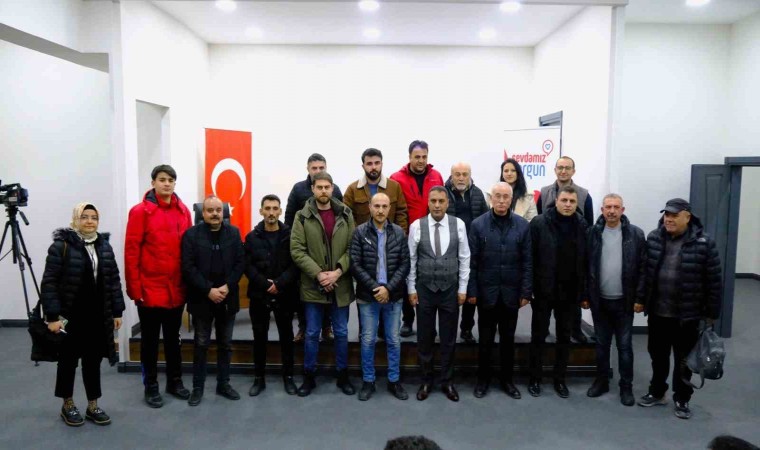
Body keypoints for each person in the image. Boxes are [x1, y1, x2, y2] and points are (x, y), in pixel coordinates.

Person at [41, 203, 125, 426]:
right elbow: (49, 283)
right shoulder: (61, 246)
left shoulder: (104, 246)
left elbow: (114, 280)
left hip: (96, 316)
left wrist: (117, 311)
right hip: (70, 316)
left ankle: (92, 405)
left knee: (92, 362)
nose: (89, 221)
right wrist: (52, 317)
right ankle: (67, 404)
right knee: (67, 362)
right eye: (84, 217)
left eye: (94, 217)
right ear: (76, 219)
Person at [638, 198, 722, 420]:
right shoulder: (654, 238)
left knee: (683, 361)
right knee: (658, 356)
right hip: (658, 312)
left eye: (674, 215)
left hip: (687, 315)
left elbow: (714, 280)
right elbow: (645, 272)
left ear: (687, 216)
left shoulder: (704, 243)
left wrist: (712, 313)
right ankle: (657, 392)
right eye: (666, 214)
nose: (669, 219)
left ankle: (682, 398)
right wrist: (640, 299)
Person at [124, 164, 192, 408]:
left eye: (171, 180)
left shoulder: (183, 211)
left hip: (176, 290)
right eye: (162, 179)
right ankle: (150, 386)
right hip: (150, 290)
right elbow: (131, 252)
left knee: (174, 340)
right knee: (150, 343)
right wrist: (135, 289)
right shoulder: (140, 212)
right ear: (153, 183)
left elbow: (188, 250)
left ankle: (175, 381)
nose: (167, 183)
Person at [290, 172, 356, 397]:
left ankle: (342, 375)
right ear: (313, 189)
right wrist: (319, 275)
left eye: (327, 187)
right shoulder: (302, 216)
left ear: (332, 187)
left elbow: (353, 248)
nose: (324, 191)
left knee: (341, 332)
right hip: (313, 285)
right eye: (319, 187)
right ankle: (309, 376)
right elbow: (297, 250)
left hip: (340, 283)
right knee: (311, 333)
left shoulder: (346, 213)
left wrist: (337, 272)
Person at [467, 183, 532, 399]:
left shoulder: (523, 226)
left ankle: (507, 381)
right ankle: (482, 380)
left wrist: (525, 292)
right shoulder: (478, 225)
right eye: (498, 196)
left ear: (511, 199)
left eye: (506, 197)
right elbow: (472, 262)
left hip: (511, 294)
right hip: (486, 293)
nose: (502, 200)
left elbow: (528, 262)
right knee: (485, 341)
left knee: (508, 340)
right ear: (491, 199)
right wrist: (472, 291)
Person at [181, 196, 245, 406]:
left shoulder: (233, 233)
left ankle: (223, 384)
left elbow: (240, 263)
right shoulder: (191, 235)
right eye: (210, 210)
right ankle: (198, 387)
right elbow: (188, 267)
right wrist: (208, 289)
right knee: (201, 344)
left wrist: (228, 286)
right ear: (203, 213)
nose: (215, 213)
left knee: (225, 344)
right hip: (202, 298)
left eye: (218, 210)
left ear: (223, 212)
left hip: (227, 297)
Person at [408, 186, 470, 402]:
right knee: (424, 338)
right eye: (433, 201)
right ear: (428, 202)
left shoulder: (459, 225)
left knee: (448, 339)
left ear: (447, 203)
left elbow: (465, 258)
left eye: (441, 201)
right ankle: (426, 380)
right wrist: (411, 288)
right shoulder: (416, 226)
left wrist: (463, 288)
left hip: (450, 290)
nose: (436, 205)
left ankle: (447, 381)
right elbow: (411, 260)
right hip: (424, 290)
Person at [583, 194, 646, 406]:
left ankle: (626, 387)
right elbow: (585, 267)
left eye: (616, 207)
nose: (611, 211)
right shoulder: (591, 233)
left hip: (624, 301)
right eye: (608, 207)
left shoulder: (636, 234)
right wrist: (585, 295)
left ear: (622, 210)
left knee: (625, 347)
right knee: (601, 345)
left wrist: (640, 297)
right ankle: (601, 381)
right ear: (602, 210)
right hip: (599, 300)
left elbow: (643, 269)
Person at [528, 186, 588, 398]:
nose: (568, 205)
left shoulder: (582, 224)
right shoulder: (539, 223)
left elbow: (585, 261)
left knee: (564, 337)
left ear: (576, 204)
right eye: (564, 200)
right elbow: (530, 257)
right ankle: (535, 378)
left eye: (572, 201)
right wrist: (529, 288)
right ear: (556, 201)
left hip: (569, 291)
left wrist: (583, 292)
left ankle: (559, 379)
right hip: (543, 289)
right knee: (538, 336)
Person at [350, 193, 411, 401]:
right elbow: (355, 264)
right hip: (368, 297)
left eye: (384, 206)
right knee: (368, 340)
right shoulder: (359, 232)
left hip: (393, 296)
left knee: (393, 340)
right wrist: (377, 288)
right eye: (377, 206)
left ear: (389, 208)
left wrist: (388, 289)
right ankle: (368, 380)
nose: (381, 210)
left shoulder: (399, 233)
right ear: (369, 207)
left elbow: (405, 264)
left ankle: (394, 380)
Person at [343, 147, 409, 339]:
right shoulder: (352, 189)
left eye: (377, 163)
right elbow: (346, 218)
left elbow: (402, 213)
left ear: (382, 164)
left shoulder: (394, 187)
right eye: (369, 163)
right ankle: (365, 333)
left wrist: (399, 237)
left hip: (390, 249)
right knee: (366, 301)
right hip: (365, 250)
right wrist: (358, 239)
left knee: (389, 323)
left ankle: (384, 333)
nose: (373, 167)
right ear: (363, 165)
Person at [284, 153, 342, 344]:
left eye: (321, 168)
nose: (318, 171)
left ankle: (327, 327)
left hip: (330, 251)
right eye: (314, 168)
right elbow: (289, 218)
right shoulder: (298, 189)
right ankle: (303, 327)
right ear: (308, 169)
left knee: (329, 290)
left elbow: (341, 218)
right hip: (306, 252)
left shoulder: (335, 189)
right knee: (304, 294)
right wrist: (296, 246)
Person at [244, 194, 298, 396]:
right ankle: (259, 378)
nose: (271, 213)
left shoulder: (291, 235)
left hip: (285, 293)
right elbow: (247, 266)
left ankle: (288, 377)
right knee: (259, 337)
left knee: (287, 337)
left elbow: (296, 263)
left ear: (280, 211)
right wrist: (265, 284)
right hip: (260, 294)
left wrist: (279, 283)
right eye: (267, 209)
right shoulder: (252, 237)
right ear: (261, 211)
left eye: (275, 208)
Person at [390, 140, 444, 337]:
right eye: (417, 157)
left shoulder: (436, 176)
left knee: (429, 278)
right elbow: (395, 209)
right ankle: (408, 320)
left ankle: (428, 322)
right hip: (406, 236)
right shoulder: (396, 178)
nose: (421, 161)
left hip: (431, 236)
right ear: (409, 157)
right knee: (407, 278)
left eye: (424, 157)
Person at [536, 156, 592, 344]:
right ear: (555, 170)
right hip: (549, 260)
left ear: (573, 171)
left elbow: (589, 225)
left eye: (567, 168)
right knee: (541, 323)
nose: (563, 171)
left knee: (569, 313)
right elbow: (539, 219)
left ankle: (576, 329)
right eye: (560, 167)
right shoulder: (544, 192)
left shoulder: (584, 195)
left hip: (572, 261)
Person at [444, 161, 489, 345]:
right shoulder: (443, 194)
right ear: (451, 175)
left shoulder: (478, 194)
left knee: (471, 291)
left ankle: (466, 328)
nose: (461, 178)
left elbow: (486, 219)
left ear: (470, 175)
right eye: (458, 174)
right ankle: (448, 330)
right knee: (451, 294)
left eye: (465, 174)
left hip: (474, 249)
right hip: (449, 249)